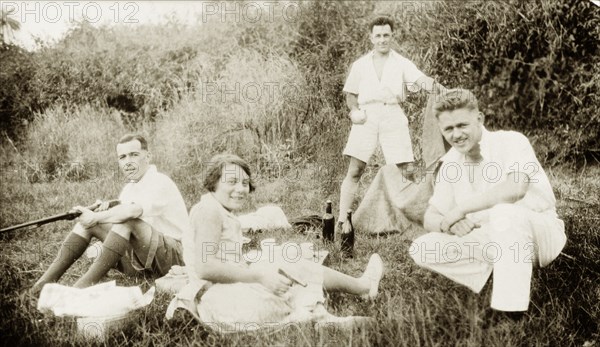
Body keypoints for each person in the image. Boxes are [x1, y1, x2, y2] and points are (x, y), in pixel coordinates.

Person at [180, 154, 384, 331]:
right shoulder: (208, 211)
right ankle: (340, 302)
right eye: (231, 182)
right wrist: (258, 276)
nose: (240, 189)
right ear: (213, 182)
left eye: (244, 183)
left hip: (226, 295)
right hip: (221, 301)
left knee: (289, 266)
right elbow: (205, 267)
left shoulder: (217, 210)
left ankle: (325, 314)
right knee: (289, 272)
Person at [409, 89, 567, 317]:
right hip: (492, 238)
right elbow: (431, 216)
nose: (456, 135)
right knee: (422, 248)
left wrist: (460, 209)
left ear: (479, 119)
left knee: (505, 213)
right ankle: (503, 273)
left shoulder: (511, 141)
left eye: (462, 125)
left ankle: (509, 313)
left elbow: (516, 189)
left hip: (538, 235)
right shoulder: (450, 163)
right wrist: (449, 224)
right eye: (448, 129)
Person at [32, 134, 189, 292]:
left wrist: (95, 217)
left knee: (125, 220)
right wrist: (103, 212)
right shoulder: (129, 188)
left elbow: (131, 212)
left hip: (175, 258)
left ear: (147, 156)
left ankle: (78, 291)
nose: (128, 162)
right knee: (88, 225)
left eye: (134, 155)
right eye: (122, 157)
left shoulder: (159, 181)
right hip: (144, 259)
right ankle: (41, 286)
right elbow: (118, 219)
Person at [338, 16, 446, 227]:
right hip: (367, 116)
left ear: (392, 36)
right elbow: (351, 94)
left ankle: (415, 219)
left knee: (407, 170)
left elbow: (421, 80)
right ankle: (342, 220)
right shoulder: (360, 65)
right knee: (355, 170)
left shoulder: (401, 63)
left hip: (392, 114)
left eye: (386, 35)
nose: (382, 40)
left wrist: (443, 90)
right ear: (371, 38)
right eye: (378, 36)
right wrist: (354, 110)